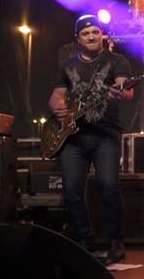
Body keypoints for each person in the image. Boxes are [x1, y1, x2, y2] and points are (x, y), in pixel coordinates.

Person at [49, 14, 135, 265]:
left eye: (95, 32)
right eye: (86, 33)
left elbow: (125, 89)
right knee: (71, 190)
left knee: (109, 185)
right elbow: (56, 94)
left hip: (106, 134)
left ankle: (116, 242)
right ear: (78, 38)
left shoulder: (117, 61)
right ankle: (84, 241)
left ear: (102, 35)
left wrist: (121, 92)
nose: (91, 36)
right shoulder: (67, 64)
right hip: (73, 136)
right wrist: (58, 107)